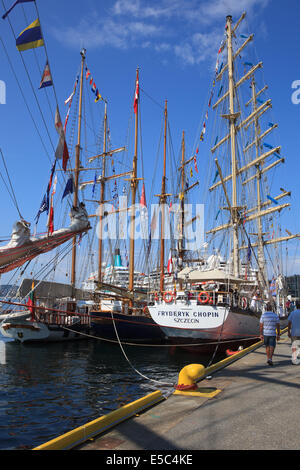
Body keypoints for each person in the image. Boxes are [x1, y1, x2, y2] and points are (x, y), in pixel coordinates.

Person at [259, 302, 280, 366]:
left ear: (266, 309)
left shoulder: (263, 316)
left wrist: (261, 334)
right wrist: (278, 334)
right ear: (271, 309)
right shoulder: (275, 315)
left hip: (266, 333)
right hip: (273, 333)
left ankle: (268, 358)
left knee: (267, 346)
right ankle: (270, 358)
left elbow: (261, 326)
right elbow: (278, 326)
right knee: (272, 346)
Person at [288, 300, 300, 364]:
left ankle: (294, 359)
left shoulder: (293, 313)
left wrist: (288, 332)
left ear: (296, 306)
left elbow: (289, 323)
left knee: (294, 346)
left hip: (294, 332)